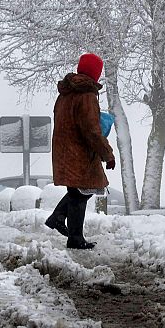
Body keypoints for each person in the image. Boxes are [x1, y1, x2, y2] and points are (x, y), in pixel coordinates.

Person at [45, 53, 116, 249]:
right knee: (81, 192)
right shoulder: (87, 95)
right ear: (96, 72)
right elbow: (91, 130)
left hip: (64, 150)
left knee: (78, 191)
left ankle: (62, 222)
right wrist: (107, 154)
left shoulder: (65, 93)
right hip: (80, 152)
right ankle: (72, 234)